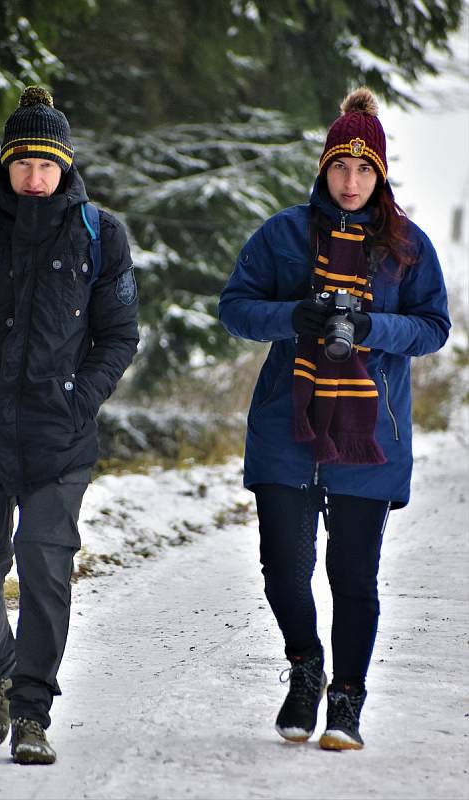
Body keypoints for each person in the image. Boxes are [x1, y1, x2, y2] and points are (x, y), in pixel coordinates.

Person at [218, 87, 450, 750]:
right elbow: (235, 308)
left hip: (370, 434)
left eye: (365, 170)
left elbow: (434, 327)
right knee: (284, 573)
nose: (351, 182)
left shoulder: (409, 247)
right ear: (323, 169)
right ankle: (305, 666)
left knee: (352, 578)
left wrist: (374, 327)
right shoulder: (284, 234)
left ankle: (346, 699)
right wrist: (293, 316)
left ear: (380, 176)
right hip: (285, 428)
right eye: (340, 169)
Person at [0, 86, 139, 764]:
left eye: (46, 165)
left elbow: (119, 335)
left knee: (45, 568)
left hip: (58, 437)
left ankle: (32, 712)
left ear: (66, 165)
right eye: (22, 163)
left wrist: (81, 399)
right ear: (5, 161)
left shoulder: (98, 233)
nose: (34, 177)